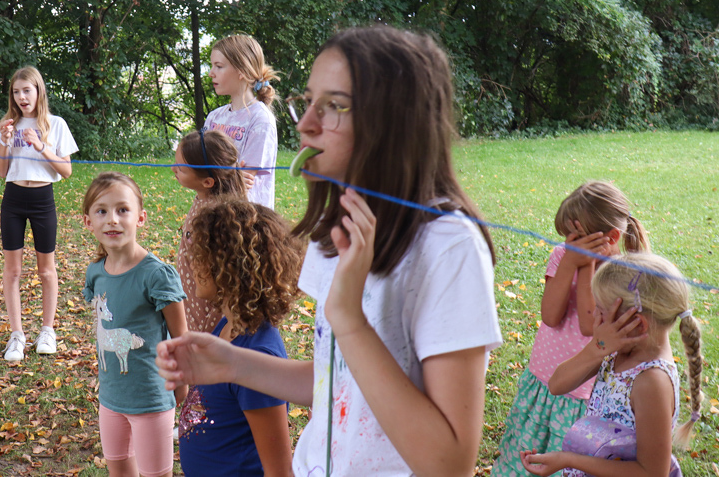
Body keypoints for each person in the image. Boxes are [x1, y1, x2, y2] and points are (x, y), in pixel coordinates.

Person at [157, 24, 503, 475]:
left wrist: (349, 319)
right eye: (307, 102)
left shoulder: (449, 248)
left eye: (334, 106)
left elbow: (450, 463)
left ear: (395, 123)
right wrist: (233, 364)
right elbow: (336, 379)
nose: (304, 124)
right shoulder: (336, 229)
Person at [492, 181, 650, 475]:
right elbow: (550, 316)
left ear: (611, 237)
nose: (569, 244)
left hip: (582, 395)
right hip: (543, 381)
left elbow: (589, 325)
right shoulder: (562, 256)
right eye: (567, 237)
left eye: (577, 237)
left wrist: (586, 266)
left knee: (565, 462)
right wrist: (569, 263)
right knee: (521, 458)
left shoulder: (622, 276)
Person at [520, 252, 703, 477]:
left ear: (637, 323)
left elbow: (652, 472)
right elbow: (557, 384)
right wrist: (597, 347)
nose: (594, 315)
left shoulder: (651, 382)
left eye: (601, 310)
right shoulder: (616, 349)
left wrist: (569, 460)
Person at [178, 198, 301, 477]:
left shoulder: (258, 358)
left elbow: (279, 470)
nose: (192, 261)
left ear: (230, 267)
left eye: (201, 254)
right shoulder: (228, 325)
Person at [82, 172, 187, 477]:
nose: (112, 220)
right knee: (119, 469)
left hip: (152, 398)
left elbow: (181, 338)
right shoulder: (95, 273)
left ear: (140, 218)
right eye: (102, 211)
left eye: (122, 210)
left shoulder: (157, 275)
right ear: (88, 221)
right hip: (111, 397)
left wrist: (182, 384)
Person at [0, 66, 78, 361]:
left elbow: (66, 171)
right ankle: (17, 335)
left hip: (42, 199)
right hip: (13, 199)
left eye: (27, 90)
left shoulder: (55, 124)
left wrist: (40, 146)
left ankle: (47, 331)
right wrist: (4, 141)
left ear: (39, 91)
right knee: (12, 270)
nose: (22, 97)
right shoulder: (7, 125)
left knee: (46, 270)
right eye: (16, 91)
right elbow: (1, 172)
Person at [171, 128, 246, 333]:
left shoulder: (214, 217)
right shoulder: (204, 199)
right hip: (192, 293)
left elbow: (217, 278)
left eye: (181, 168)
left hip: (206, 307)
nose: (173, 169)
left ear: (207, 182)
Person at [204, 34, 279, 208]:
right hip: (212, 211)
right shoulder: (214, 117)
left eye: (219, 66)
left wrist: (211, 176)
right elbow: (198, 169)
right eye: (212, 65)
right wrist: (230, 174)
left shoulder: (261, 120)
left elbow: (243, 184)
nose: (211, 73)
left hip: (247, 217)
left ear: (242, 71)